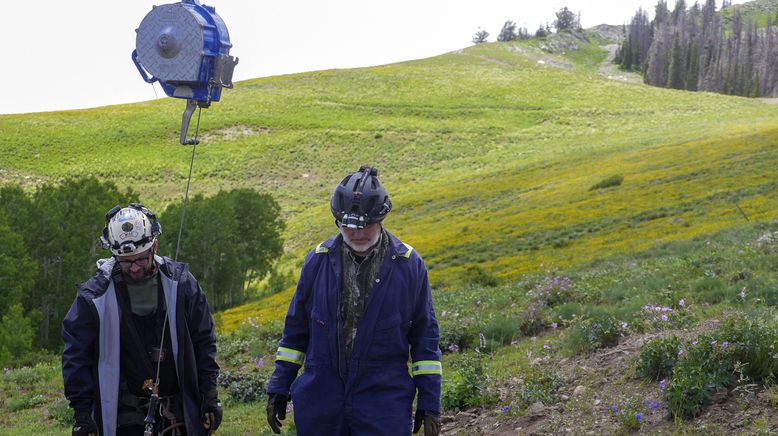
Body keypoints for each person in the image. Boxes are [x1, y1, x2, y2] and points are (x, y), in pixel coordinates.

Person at [265, 166, 442, 435]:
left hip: (383, 404)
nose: (357, 233)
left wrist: (429, 402)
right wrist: (279, 385)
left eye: (365, 225)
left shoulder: (409, 266)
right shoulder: (317, 261)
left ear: (382, 218)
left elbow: (425, 341)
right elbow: (295, 333)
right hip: (321, 402)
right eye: (348, 225)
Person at [61, 203, 222, 436]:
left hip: (178, 413)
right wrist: (82, 414)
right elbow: (76, 356)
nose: (134, 268)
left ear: (154, 247)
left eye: (140, 260)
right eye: (125, 262)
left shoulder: (182, 284)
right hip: (121, 417)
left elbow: (204, 341)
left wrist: (209, 394)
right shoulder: (94, 297)